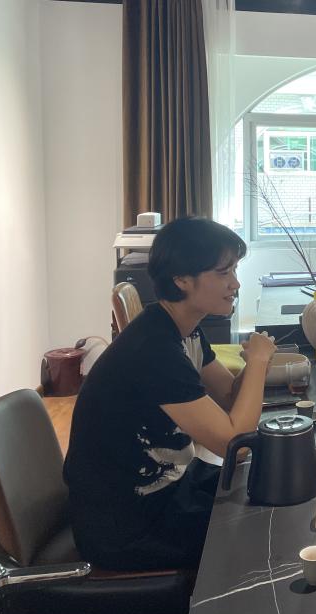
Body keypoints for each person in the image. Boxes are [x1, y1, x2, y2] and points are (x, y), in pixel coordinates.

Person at [63, 217, 277, 571]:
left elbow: (228, 396)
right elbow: (235, 444)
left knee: (268, 486)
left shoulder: (184, 330)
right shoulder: (154, 348)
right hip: (128, 524)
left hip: (171, 487)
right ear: (181, 279)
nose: (235, 283)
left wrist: (256, 368)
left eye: (235, 271)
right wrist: (256, 362)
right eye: (223, 273)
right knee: (263, 532)